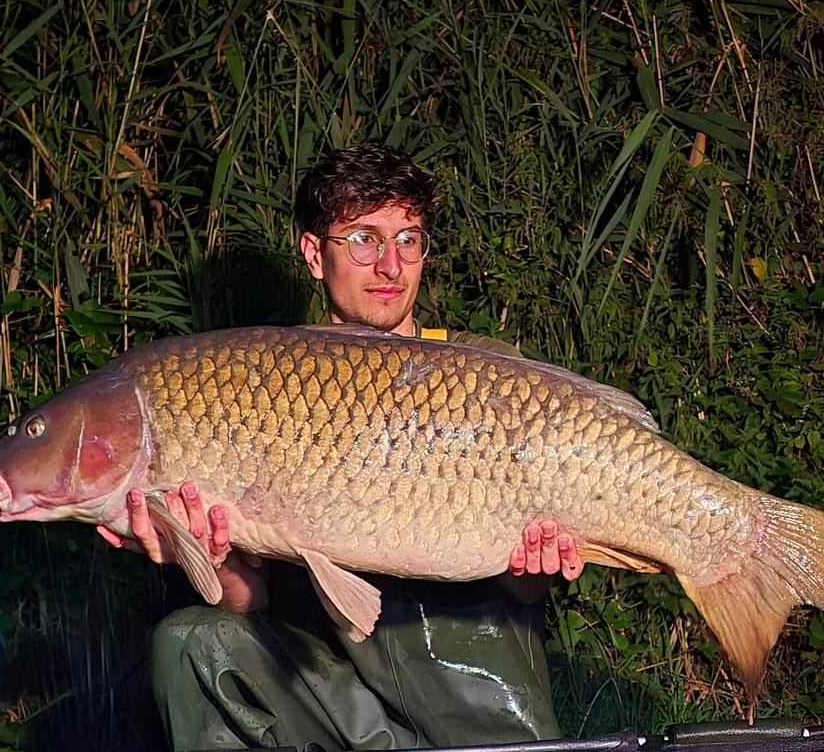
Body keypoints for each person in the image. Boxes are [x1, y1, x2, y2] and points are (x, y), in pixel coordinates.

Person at [101, 143, 583, 751]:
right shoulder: (258, 383)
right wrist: (207, 554)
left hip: (476, 699)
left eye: (408, 239)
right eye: (363, 239)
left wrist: (534, 568)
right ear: (314, 252)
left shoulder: (486, 375)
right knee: (189, 640)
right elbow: (249, 600)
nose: (390, 265)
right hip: (333, 697)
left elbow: (527, 592)